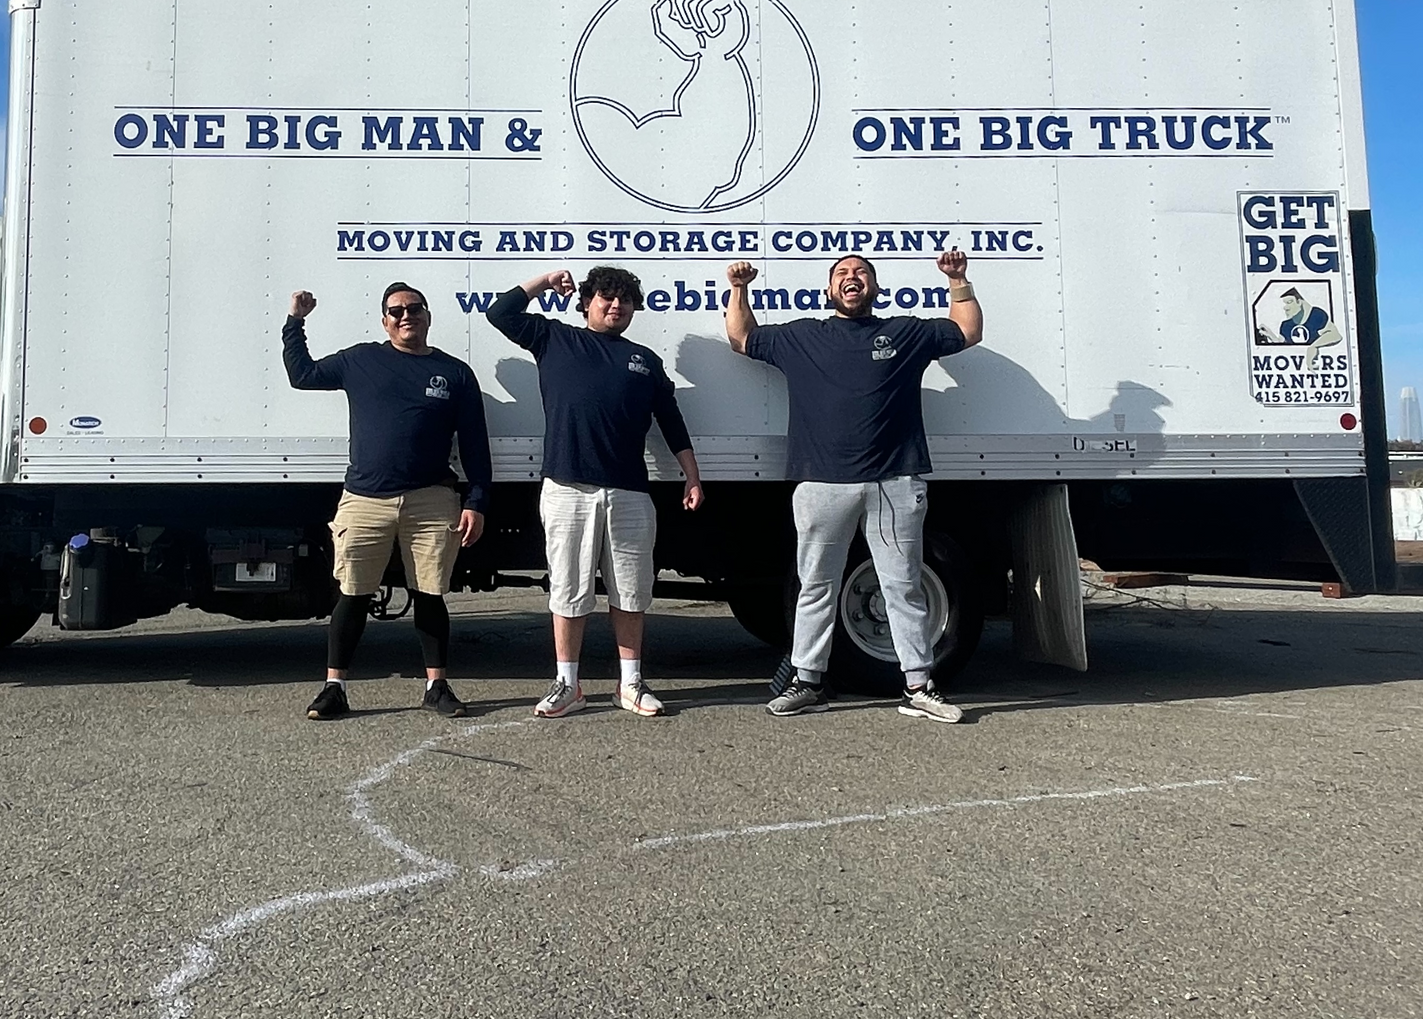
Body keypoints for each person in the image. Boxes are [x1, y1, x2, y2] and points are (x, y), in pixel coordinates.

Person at [724, 252, 982, 721]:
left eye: (861, 273)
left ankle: (920, 688)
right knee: (815, 586)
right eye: (841, 274)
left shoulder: (904, 333)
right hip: (821, 485)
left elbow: (967, 331)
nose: (851, 278)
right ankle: (807, 682)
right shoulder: (802, 336)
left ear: (875, 288)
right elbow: (741, 337)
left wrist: (958, 280)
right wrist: (738, 288)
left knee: (902, 585)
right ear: (828, 291)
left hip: (894, 482)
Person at [487, 266, 703, 718]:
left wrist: (692, 475)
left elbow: (671, 419)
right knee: (568, 589)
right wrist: (546, 282)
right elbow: (500, 312)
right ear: (586, 303)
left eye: (624, 299)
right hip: (567, 489)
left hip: (629, 493)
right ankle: (568, 685)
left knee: (631, 589)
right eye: (605, 297)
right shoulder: (554, 339)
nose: (615, 305)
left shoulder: (644, 360)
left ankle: (631, 684)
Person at [284, 282, 491, 721]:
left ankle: (436, 687)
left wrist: (477, 500)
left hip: (432, 499)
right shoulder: (360, 360)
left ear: (428, 316)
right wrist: (295, 322)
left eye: (414, 308)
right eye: (395, 311)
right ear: (385, 321)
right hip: (364, 499)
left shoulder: (454, 373)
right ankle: (334, 688)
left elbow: (475, 445)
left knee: (430, 594)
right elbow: (301, 375)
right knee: (353, 594)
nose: (405, 316)